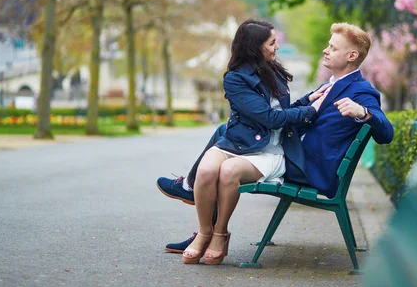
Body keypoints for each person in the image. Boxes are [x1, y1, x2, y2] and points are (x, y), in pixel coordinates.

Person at [158, 22, 394, 255]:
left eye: (333, 47)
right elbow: (297, 115)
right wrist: (308, 100)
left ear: (352, 55)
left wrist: (363, 113)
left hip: (304, 165)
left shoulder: (360, 91)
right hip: (294, 151)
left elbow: (386, 133)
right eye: (328, 45)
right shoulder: (331, 85)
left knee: (227, 152)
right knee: (228, 133)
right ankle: (197, 208)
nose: (326, 50)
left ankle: (198, 211)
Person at [160, 19, 327, 266]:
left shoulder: (274, 70)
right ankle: (203, 231)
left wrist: (307, 102)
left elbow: (279, 111)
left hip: (271, 151)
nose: (276, 47)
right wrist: (310, 111)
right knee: (207, 170)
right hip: (242, 145)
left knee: (227, 169)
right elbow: (270, 118)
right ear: (255, 47)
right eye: (272, 42)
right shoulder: (236, 79)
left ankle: (219, 234)